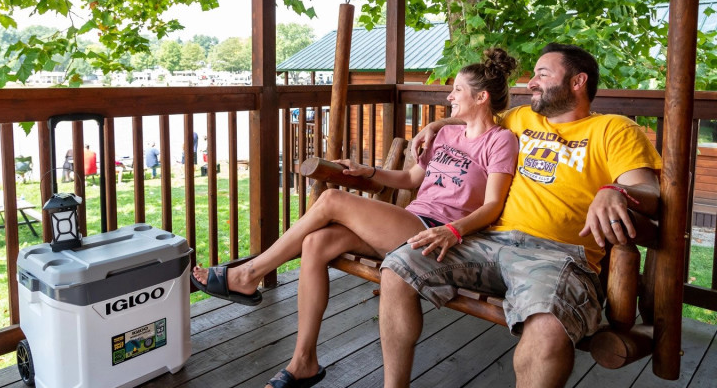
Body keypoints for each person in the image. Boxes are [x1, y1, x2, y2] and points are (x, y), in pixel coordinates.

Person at [192, 48, 520, 388]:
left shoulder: (500, 142)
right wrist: (371, 171)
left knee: (333, 199)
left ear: (481, 97)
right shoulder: (447, 134)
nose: (449, 95)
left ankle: (250, 273)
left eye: (458, 91)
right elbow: (410, 180)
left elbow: (493, 205)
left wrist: (454, 230)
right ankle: (303, 361)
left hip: (439, 235)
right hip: (411, 222)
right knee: (316, 242)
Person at [379, 43, 662, 388]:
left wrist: (613, 190)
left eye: (542, 74)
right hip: (488, 242)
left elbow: (648, 190)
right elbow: (474, 113)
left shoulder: (613, 130)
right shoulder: (519, 119)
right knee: (398, 267)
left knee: (547, 329)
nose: (530, 83)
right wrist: (437, 124)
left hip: (557, 256)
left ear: (577, 81)